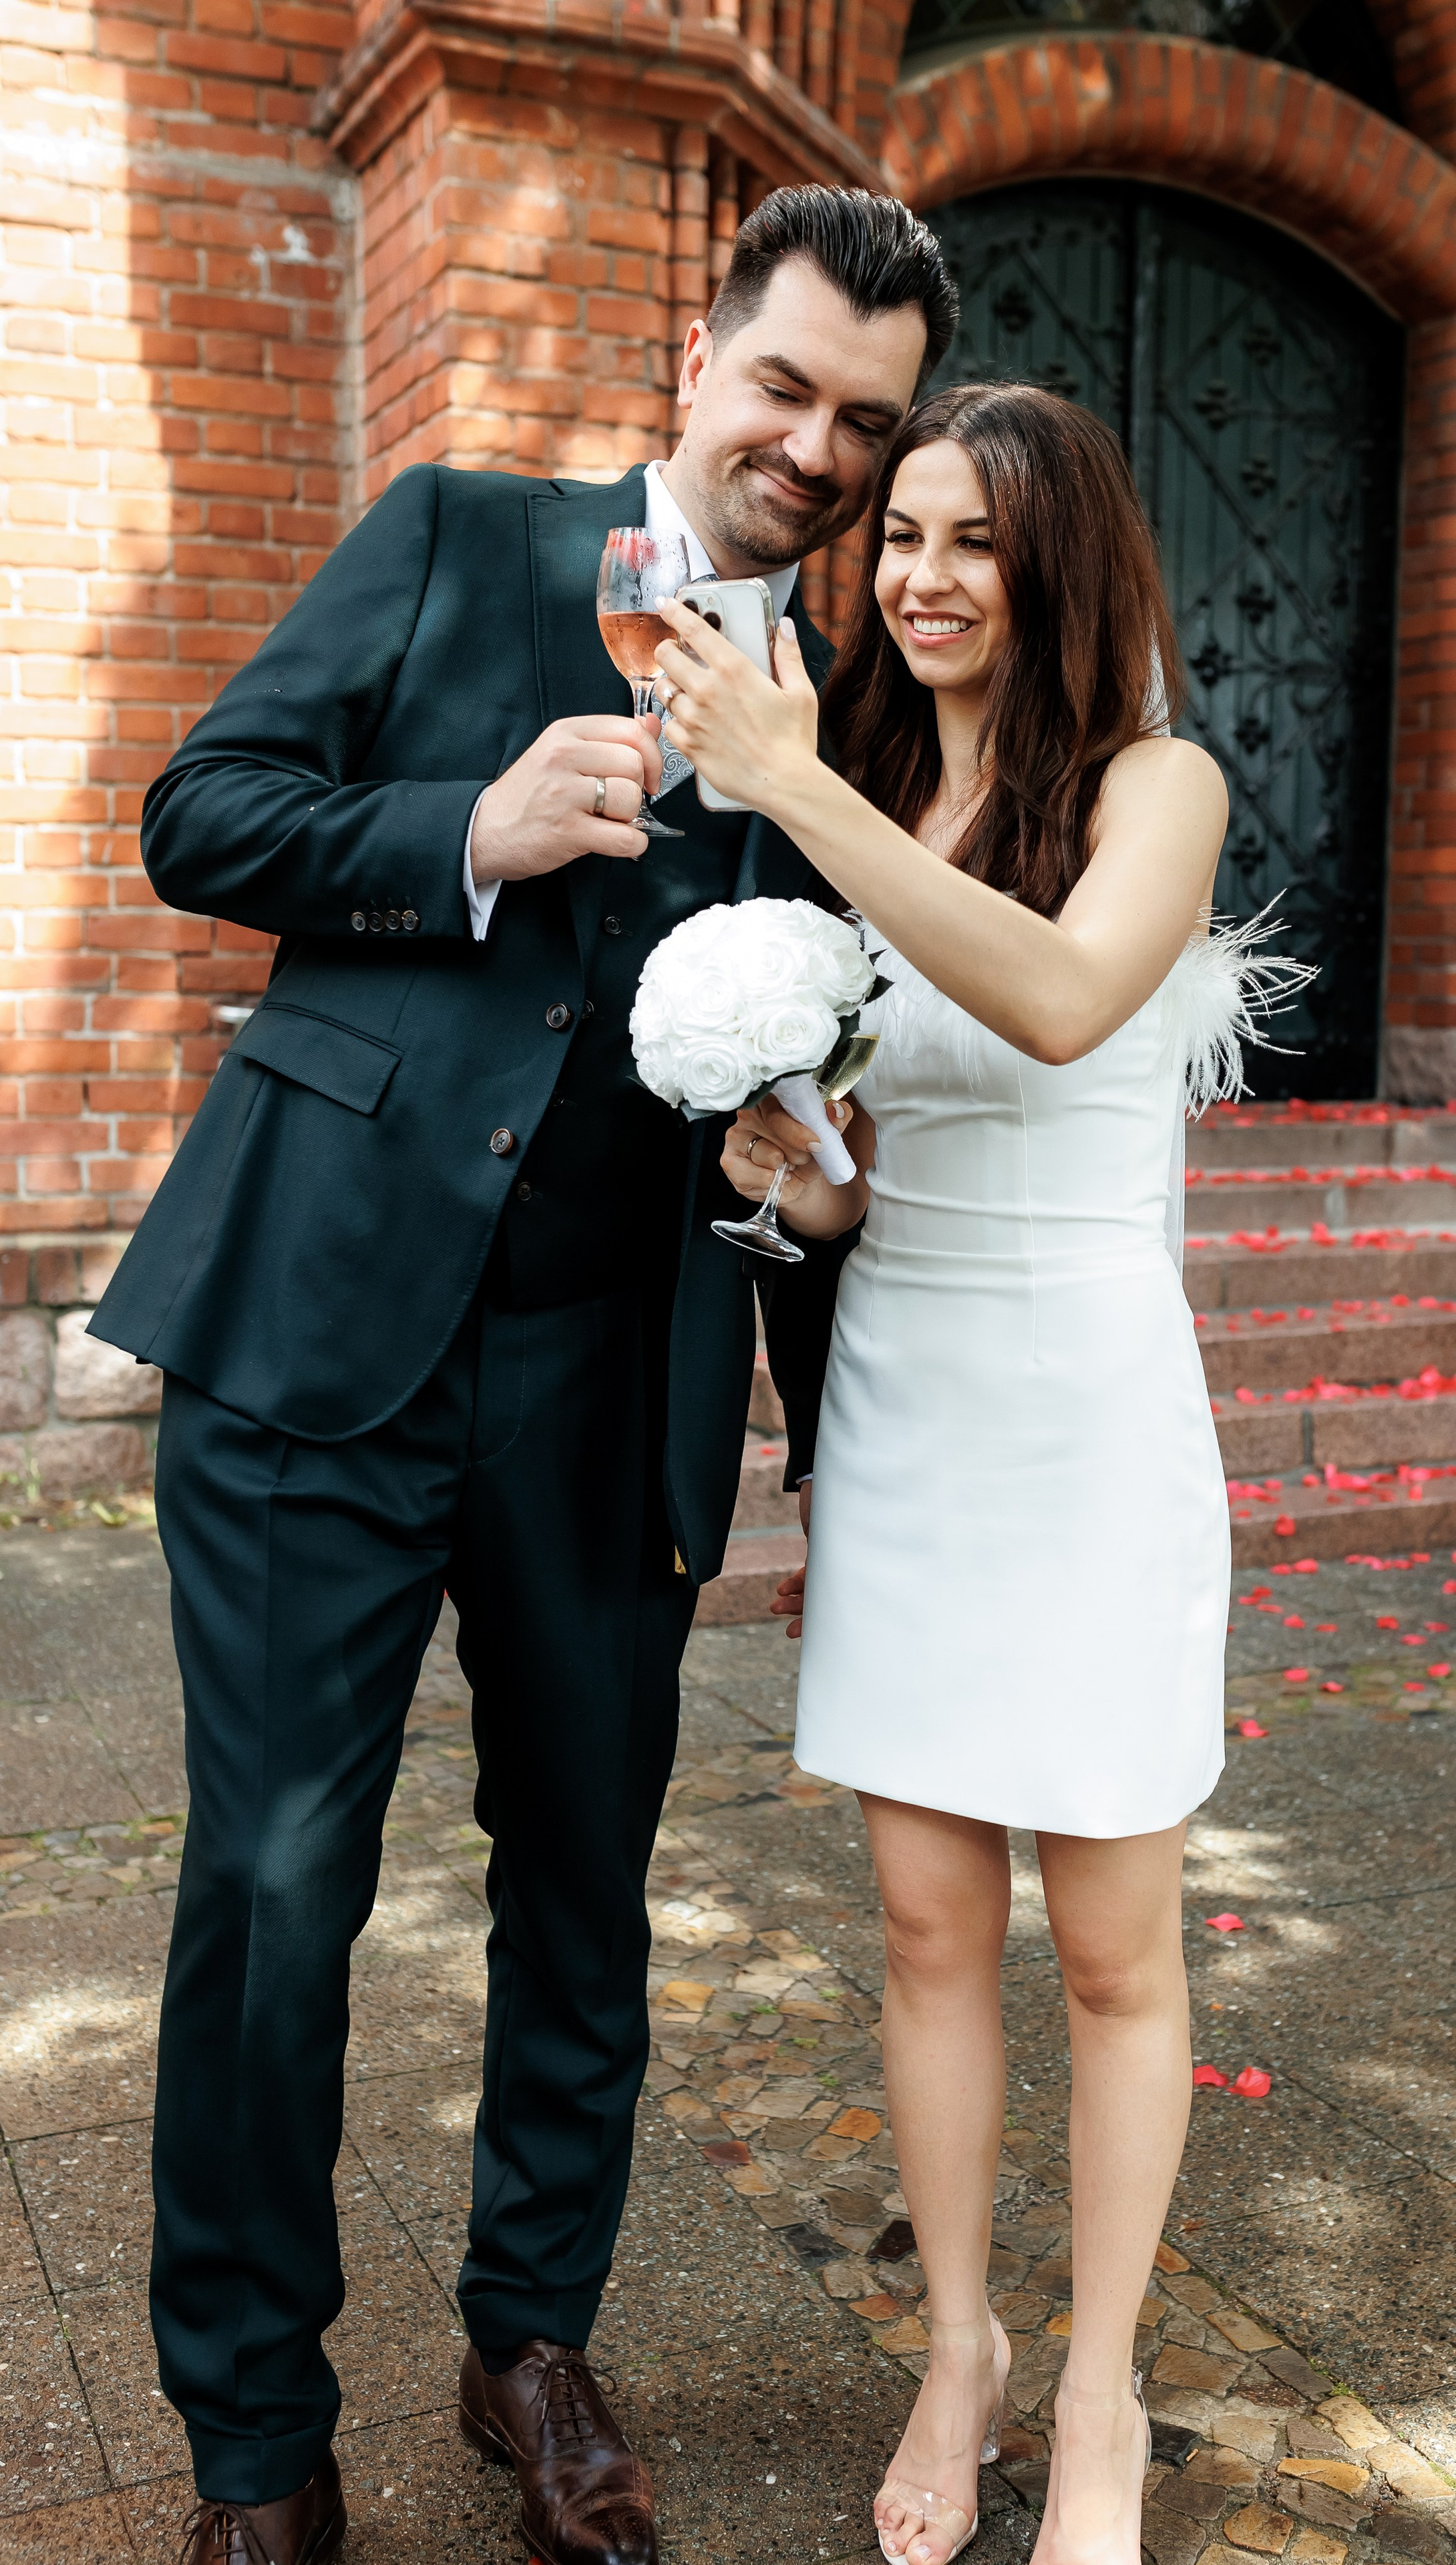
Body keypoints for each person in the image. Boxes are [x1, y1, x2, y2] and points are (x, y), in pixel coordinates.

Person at [87, 187, 957, 2565]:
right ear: (699, 355)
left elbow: (840, 1084)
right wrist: (455, 834)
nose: (809, 447)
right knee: (273, 1898)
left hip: (616, 1373)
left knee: (582, 1890)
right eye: (780, 385)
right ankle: (254, 2445)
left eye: (860, 427)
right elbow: (197, 814)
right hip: (316, 1334)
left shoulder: (865, 712)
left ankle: (531, 2344)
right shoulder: (462, 537)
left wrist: (810, 1222)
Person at [653, 383, 1243, 2565]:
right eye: (897, 535)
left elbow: (1075, 1001)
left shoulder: (1156, 787)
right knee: (924, 1923)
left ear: (1061, 560)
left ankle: (1098, 2391)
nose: (917, 577)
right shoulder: (882, 784)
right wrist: (790, 1174)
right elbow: (868, 1172)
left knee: (1108, 1945)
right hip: (903, 1391)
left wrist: (796, 781)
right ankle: (960, 2350)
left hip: (1088, 1408)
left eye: (973, 540)